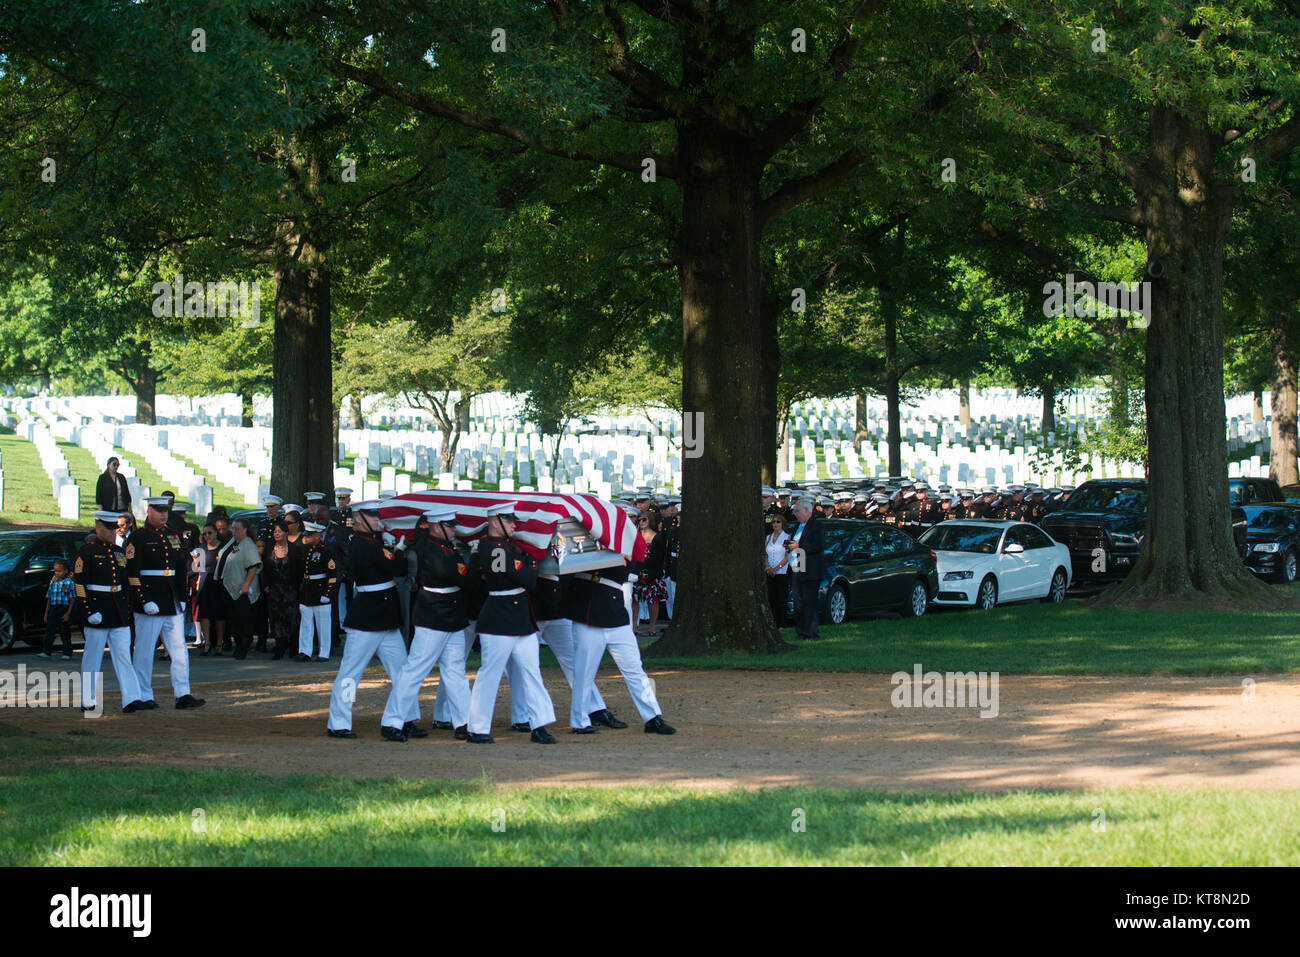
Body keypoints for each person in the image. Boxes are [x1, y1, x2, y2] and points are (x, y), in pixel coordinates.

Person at [463, 502, 557, 744]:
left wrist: (525, 562)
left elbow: (522, 575)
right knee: (490, 674)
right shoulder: (493, 548)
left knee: (532, 672)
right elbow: (526, 578)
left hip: (519, 619)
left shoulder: (506, 548)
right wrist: (530, 562)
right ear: (495, 522)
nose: (514, 525)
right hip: (499, 618)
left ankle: (539, 723)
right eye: (509, 520)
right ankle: (478, 727)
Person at [326, 500, 415, 740]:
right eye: (373, 517)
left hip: (385, 617)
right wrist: (397, 551)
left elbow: (396, 567)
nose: (378, 520)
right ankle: (338, 722)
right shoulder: (361, 545)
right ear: (359, 519)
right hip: (367, 619)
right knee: (350, 673)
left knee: (402, 671)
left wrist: (393, 551)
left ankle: (406, 717)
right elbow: (396, 567)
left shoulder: (372, 543)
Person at [380, 508, 472, 740]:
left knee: (455, 672)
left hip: (451, 614)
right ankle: (392, 721)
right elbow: (459, 576)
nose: (454, 529)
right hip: (433, 615)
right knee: (415, 671)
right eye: (449, 526)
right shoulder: (429, 550)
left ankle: (464, 721)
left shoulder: (446, 548)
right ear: (435, 526)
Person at [566, 558, 675, 735]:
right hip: (587, 614)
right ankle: (579, 721)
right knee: (583, 673)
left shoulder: (620, 543)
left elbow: (625, 568)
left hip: (616, 615)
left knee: (634, 669)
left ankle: (653, 717)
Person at [126, 497, 204, 709]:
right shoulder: (138, 538)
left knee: (179, 648)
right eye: (159, 510)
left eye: (166, 510)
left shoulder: (172, 535)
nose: (163, 514)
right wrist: (144, 600)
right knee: (144, 650)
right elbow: (132, 574)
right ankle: (143, 694)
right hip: (150, 599)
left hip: (171, 600)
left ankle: (183, 693)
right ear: (149, 510)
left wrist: (182, 598)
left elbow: (180, 567)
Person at [75, 511, 144, 713]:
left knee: (123, 655)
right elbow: (80, 584)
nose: (113, 531)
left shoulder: (119, 552)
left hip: (117, 610)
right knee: (92, 656)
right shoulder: (86, 552)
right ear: (98, 528)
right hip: (97, 608)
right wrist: (88, 611)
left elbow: (125, 581)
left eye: (115, 527)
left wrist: (127, 608)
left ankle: (132, 698)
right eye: (108, 528)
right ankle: (88, 700)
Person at [217, 517, 262, 659]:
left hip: (242, 589)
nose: (234, 531)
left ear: (245, 530)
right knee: (234, 620)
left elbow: (254, 566)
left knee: (244, 621)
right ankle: (237, 646)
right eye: (233, 528)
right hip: (230, 588)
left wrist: (246, 585)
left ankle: (243, 647)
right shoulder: (235, 542)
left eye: (237, 529)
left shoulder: (248, 544)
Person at [262, 519, 304, 659]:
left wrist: (299, 587)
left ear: (286, 533)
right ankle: (279, 647)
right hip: (274, 590)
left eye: (279, 531)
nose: (277, 534)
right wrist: (266, 585)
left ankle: (293, 647)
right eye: (275, 532)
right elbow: (264, 569)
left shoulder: (294, 549)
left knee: (291, 618)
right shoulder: (269, 548)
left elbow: (299, 570)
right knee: (276, 619)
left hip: (290, 590)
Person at [296, 521, 337, 662]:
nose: (307, 537)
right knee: (306, 624)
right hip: (308, 591)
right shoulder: (307, 550)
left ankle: (324, 652)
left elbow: (332, 576)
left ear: (318, 535)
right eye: (307, 534)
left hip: (320, 592)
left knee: (323, 625)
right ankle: (304, 651)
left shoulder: (326, 551)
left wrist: (327, 594)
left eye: (311, 535)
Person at [789, 501, 825, 642]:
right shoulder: (798, 526)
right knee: (798, 602)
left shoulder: (817, 526)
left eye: (797, 511)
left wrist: (799, 546)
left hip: (810, 567)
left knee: (809, 602)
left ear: (806, 510)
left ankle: (811, 633)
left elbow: (818, 545)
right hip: (797, 566)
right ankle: (801, 631)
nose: (795, 514)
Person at [632, 510, 667, 637]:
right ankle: (634, 627)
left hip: (652, 574)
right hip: (637, 573)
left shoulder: (657, 537)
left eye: (644, 519)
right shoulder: (636, 536)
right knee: (634, 600)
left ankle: (651, 627)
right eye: (640, 519)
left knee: (652, 601)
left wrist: (649, 570)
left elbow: (658, 558)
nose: (641, 522)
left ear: (650, 521)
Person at [193, 523, 225, 656]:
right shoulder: (201, 548)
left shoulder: (223, 547)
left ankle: (219, 643)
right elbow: (197, 567)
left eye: (210, 533)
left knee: (219, 615)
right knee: (204, 614)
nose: (207, 536)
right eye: (205, 534)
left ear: (216, 533)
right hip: (205, 582)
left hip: (218, 582)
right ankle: (207, 643)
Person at [40, 559, 75, 660]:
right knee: (49, 630)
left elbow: (72, 598)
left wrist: (68, 613)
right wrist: (46, 612)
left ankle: (67, 652)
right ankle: (46, 651)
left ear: (66, 571)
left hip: (63, 608)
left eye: (59, 571)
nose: (56, 573)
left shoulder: (68, 582)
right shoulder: (53, 581)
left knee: (64, 631)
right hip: (53, 608)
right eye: (55, 571)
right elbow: (49, 597)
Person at [764, 514, 792, 626]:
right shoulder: (768, 537)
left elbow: (787, 556)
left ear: (782, 524)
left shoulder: (787, 538)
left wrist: (776, 568)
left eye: (778, 522)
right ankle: (773, 623)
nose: (775, 524)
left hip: (781, 572)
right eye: (773, 522)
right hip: (769, 572)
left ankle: (782, 623)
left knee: (781, 599)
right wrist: (769, 568)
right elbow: (764, 554)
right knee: (771, 599)